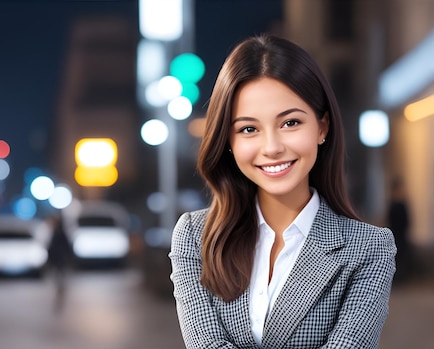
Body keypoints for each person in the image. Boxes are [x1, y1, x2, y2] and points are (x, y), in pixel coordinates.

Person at [169, 34, 396, 349]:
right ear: (229, 143)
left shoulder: (370, 248)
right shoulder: (195, 236)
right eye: (249, 129)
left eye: (290, 123)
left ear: (322, 127)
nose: (272, 148)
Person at [46, 213, 72, 313]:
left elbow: (63, 246)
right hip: (58, 259)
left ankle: (60, 288)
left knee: (60, 275)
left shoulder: (59, 233)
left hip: (60, 258)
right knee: (58, 275)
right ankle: (60, 287)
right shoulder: (55, 232)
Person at [387, 177, 411, 283]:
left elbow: (407, 221)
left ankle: (401, 278)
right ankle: (397, 278)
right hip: (395, 234)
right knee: (396, 256)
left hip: (400, 234)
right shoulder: (393, 204)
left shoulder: (401, 204)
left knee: (401, 256)